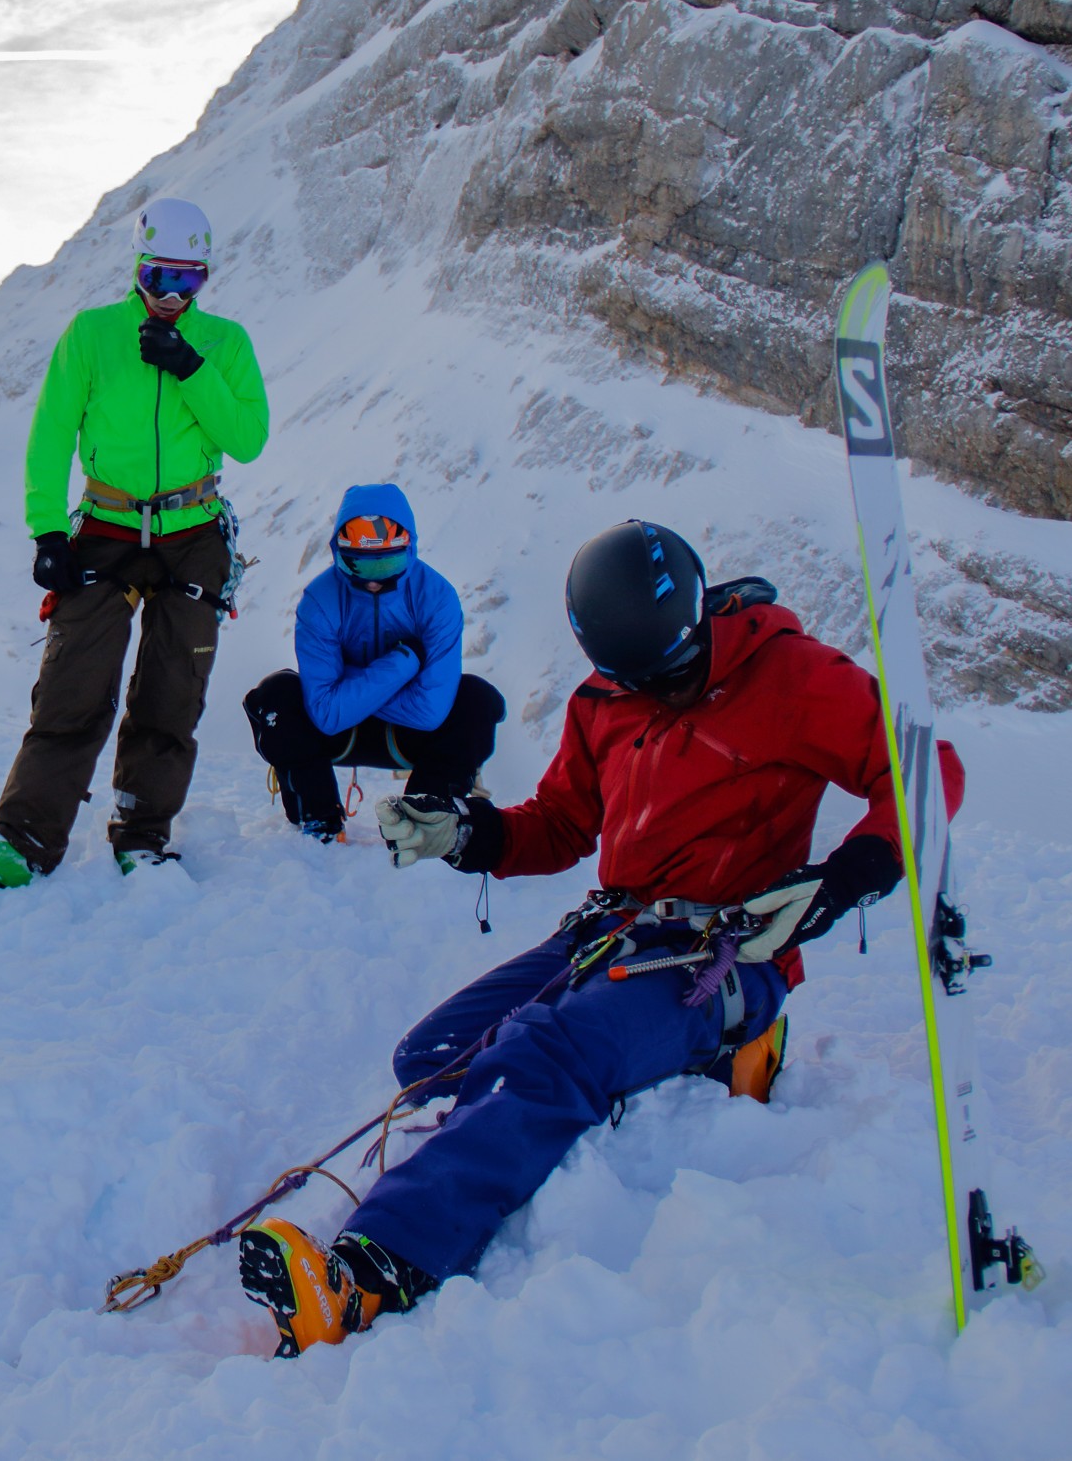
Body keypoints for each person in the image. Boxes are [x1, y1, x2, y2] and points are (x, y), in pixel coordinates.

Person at [238, 520, 915, 1355]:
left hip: (726, 953)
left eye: (672, 671)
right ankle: (663, 1065)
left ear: (697, 618)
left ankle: (372, 1272)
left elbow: (920, 773)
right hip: (617, 928)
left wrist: (841, 882)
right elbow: (561, 823)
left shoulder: (790, 675)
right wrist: (463, 835)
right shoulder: (606, 699)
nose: (660, 692)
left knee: (543, 1054)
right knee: (434, 1056)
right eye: (639, 679)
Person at [0, 197, 270, 887]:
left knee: (173, 692)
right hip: (108, 526)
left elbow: (248, 436)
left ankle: (142, 834)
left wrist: (190, 367)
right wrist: (47, 530)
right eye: (160, 276)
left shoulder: (226, 344)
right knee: (73, 683)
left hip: (193, 530)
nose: (173, 295)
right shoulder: (91, 334)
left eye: (190, 280)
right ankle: (25, 837)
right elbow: (51, 436)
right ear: (137, 267)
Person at [242, 484, 505, 841]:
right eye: (358, 564)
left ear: (409, 550)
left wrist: (347, 686)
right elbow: (325, 714)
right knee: (275, 696)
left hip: (400, 727)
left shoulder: (437, 597)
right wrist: (404, 663)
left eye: (387, 562)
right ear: (338, 553)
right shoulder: (320, 600)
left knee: (477, 700)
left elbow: (429, 712)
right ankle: (319, 820)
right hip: (342, 730)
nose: (374, 580)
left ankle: (423, 822)